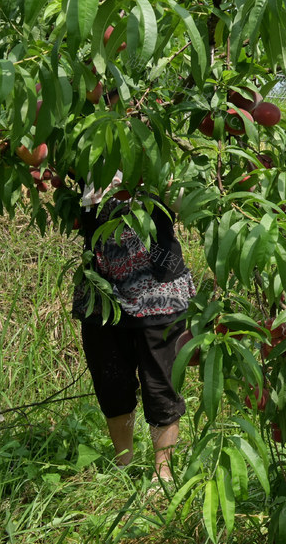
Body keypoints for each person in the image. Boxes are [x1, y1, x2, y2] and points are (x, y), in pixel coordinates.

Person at [73, 173, 196, 480]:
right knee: (111, 383)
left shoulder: (153, 152)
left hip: (157, 291)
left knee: (161, 385)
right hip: (101, 290)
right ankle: (123, 465)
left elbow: (185, 204)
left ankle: (162, 473)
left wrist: (159, 180)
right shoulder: (84, 156)